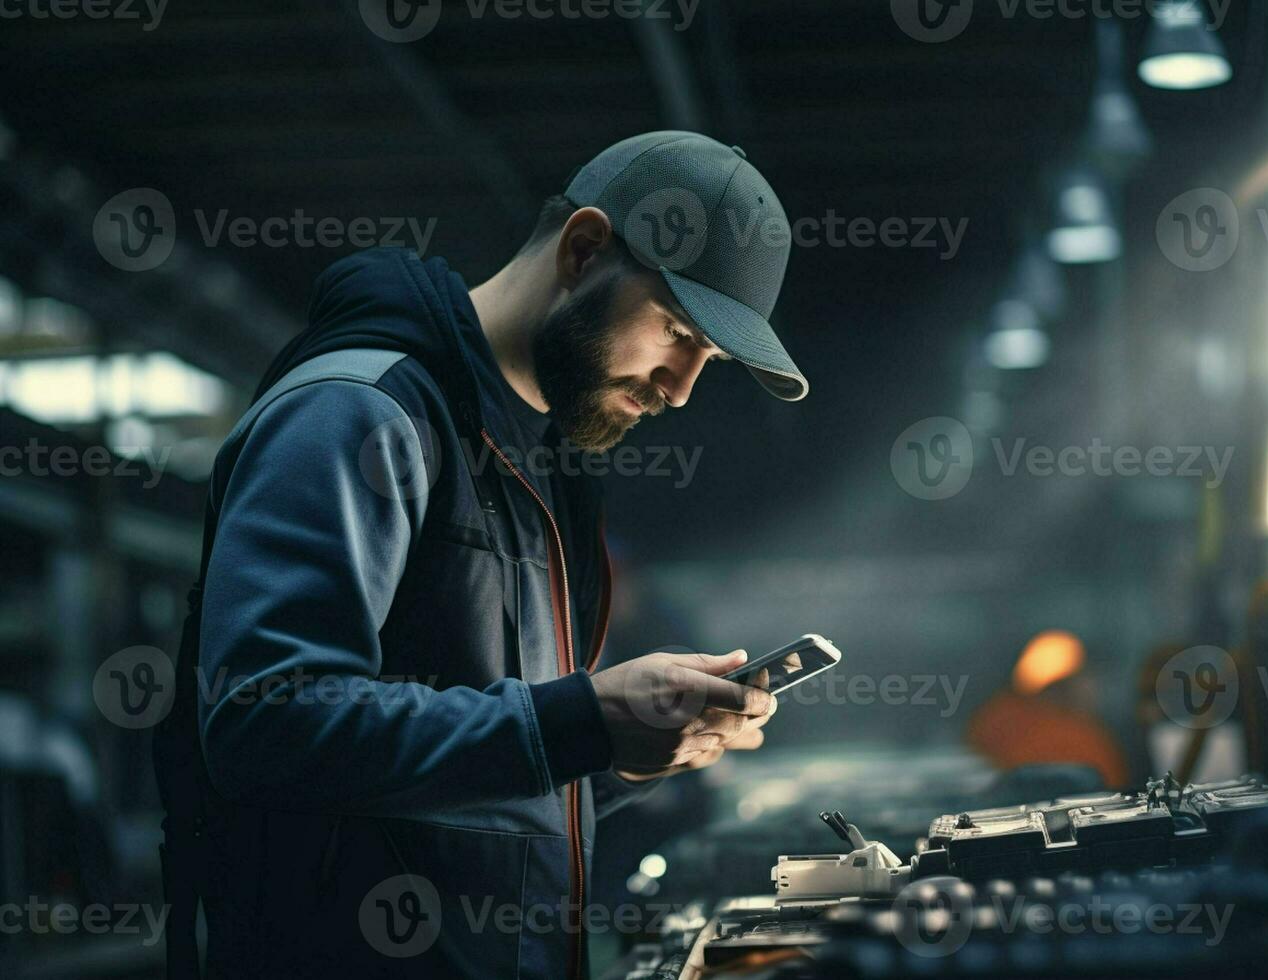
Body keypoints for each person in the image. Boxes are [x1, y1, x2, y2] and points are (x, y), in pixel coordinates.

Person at [153, 132, 806, 979]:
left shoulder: (535, 468)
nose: (680, 388)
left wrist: (616, 750)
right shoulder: (358, 416)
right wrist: (575, 719)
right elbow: (264, 724)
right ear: (582, 250)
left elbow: (479, 781)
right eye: (677, 331)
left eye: (705, 358)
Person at [967, 630, 1129, 788]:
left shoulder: (995, 717)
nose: (1094, 687)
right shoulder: (1079, 739)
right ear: (1060, 687)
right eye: (1086, 676)